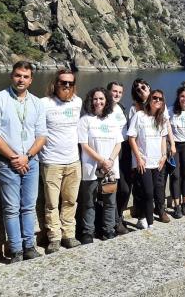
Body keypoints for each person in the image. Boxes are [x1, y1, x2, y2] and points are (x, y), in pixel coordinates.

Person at [0, 61, 46, 263]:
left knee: (28, 206)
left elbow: (41, 136)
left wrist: (27, 157)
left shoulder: (37, 103)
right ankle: (16, 250)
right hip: (5, 162)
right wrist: (14, 157)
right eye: (18, 75)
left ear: (31, 80)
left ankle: (30, 246)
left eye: (25, 76)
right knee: (11, 207)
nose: (21, 79)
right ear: (12, 76)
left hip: (30, 161)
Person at [39, 69, 82, 254]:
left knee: (71, 201)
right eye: (63, 82)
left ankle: (68, 235)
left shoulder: (78, 102)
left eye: (70, 83)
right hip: (51, 162)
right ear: (55, 83)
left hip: (73, 161)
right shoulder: (44, 104)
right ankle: (54, 238)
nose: (66, 86)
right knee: (51, 203)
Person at [78, 87, 124, 243]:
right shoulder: (85, 120)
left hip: (110, 168)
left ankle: (108, 230)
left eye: (101, 99)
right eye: (95, 99)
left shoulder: (112, 119)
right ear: (91, 101)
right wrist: (101, 160)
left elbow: (118, 143)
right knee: (89, 201)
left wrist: (110, 160)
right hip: (91, 168)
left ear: (107, 101)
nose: (98, 102)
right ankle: (87, 232)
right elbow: (84, 145)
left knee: (110, 201)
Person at [128, 79, 174, 223]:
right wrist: (138, 158)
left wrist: (164, 155)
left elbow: (163, 137)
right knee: (146, 191)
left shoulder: (160, 118)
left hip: (157, 160)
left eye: (160, 99)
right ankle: (145, 218)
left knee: (157, 188)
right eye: (155, 98)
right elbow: (131, 138)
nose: (157, 100)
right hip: (143, 160)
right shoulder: (137, 114)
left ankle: (153, 217)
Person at [168, 83, 185, 218]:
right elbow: (166, 129)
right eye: (182, 96)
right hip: (174, 147)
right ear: (178, 98)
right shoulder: (170, 111)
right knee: (175, 176)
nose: (184, 99)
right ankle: (176, 205)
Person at [107, 81, 130, 235]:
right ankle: (115, 221)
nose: (116, 94)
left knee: (126, 188)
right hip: (111, 152)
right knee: (112, 188)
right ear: (108, 91)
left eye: (120, 92)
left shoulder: (120, 108)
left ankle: (119, 215)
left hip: (124, 149)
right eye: (114, 91)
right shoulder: (104, 109)